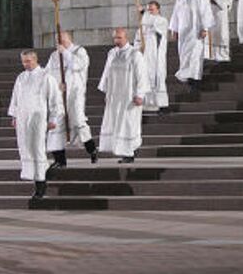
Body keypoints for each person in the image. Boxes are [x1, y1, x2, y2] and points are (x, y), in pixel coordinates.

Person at [9, 51, 64, 201]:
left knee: (37, 149)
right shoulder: (21, 77)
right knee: (26, 149)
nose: (25, 64)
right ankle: (34, 178)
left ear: (35, 59)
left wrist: (53, 119)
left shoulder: (46, 77)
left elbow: (55, 100)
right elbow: (15, 97)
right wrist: (14, 115)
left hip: (37, 118)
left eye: (28, 61)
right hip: (22, 118)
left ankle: (41, 185)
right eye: (23, 62)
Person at [98, 28, 150, 164]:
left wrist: (140, 94)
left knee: (128, 123)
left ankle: (130, 152)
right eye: (115, 38)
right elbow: (106, 73)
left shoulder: (134, 54)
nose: (117, 40)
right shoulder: (112, 53)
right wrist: (106, 91)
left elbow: (142, 76)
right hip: (115, 95)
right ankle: (124, 152)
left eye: (119, 38)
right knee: (117, 123)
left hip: (129, 96)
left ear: (126, 38)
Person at [45, 33, 97, 167]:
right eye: (58, 40)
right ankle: (59, 160)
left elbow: (78, 65)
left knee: (79, 120)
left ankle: (91, 149)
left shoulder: (80, 51)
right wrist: (56, 85)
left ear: (69, 39)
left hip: (75, 94)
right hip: (59, 95)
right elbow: (48, 74)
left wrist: (66, 53)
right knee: (56, 124)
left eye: (63, 39)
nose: (60, 42)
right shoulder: (54, 56)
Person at [169, 0, 215, 88]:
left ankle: (195, 78)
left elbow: (206, 11)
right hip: (183, 30)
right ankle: (186, 75)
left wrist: (205, 28)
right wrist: (174, 30)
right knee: (184, 54)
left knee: (195, 54)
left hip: (196, 30)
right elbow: (175, 14)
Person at [134, 1, 170, 113]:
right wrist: (138, 49)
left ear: (158, 10)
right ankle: (146, 104)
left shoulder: (162, 21)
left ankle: (160, 105)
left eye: (152, 10)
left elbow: (153, 22)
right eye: (148, 10)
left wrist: (143, 13)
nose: (150, 12)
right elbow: (137, 39)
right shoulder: (142, 26)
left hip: (156, 57)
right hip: (144, 57)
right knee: (144, 78)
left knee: (157, 78)